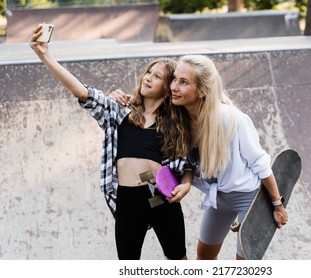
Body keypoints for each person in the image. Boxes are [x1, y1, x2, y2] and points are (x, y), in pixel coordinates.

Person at [29, 24, 193, 260]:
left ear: (168, 90)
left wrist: (185, 185)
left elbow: (188, 163)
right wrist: (45, 55)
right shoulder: (118, 113)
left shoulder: (174, 124)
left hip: (158, 194)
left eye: (157, 77)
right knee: (127, 263)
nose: (148, 78)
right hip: (127, 197)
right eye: (148, 72)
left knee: (178, 258)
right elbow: (83, 92)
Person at [169, 54, 288, 260]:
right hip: (219, 198)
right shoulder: (178, 118)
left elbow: (259, 162)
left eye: (183, 82)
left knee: (244, 264)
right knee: (204, 256)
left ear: (202, 90)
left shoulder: (232, 119)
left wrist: (277, 205)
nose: (174, 87)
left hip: (248, 199)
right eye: (174, 79)